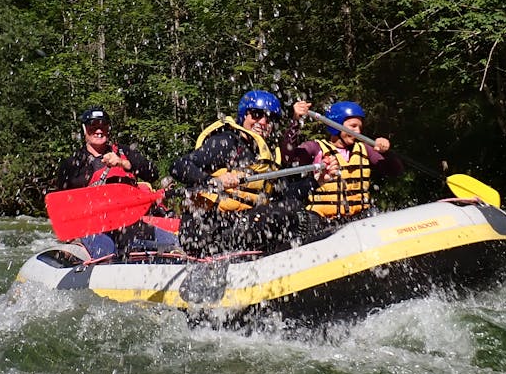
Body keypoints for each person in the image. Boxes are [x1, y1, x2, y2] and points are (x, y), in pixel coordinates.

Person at [169, 90, 338, 256]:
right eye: (256, 115)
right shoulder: (227, 142)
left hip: (238, 228)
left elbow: (284, 197)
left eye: (269, 118)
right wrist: (213, 180)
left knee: (303, 214)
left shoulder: (267, 157)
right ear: (244, 116)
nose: (263, 121)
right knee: (288, 211)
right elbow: (178, 166)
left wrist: (315, 181)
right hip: (205, 231)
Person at [53, 107, 175, 256]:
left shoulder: (124, 152)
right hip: (94, 228)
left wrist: (124, 164)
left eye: (103, 126)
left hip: (130, 224)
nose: (99, 131)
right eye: (93, 126)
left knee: (176, 243)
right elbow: (62, 205)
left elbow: (152, 173)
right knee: (105, 251)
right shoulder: (73, 164)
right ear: (85, 130)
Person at [286, 100, 403, 231]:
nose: (358, 131)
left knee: (374, 215)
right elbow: (289, 156)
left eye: (360, 127)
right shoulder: (315, 148)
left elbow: (395, 171)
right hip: (323, 221)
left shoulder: (365, 149)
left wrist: (387, 153)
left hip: (359, 218)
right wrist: (295, 121)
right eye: (353, 126)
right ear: (335, 126)